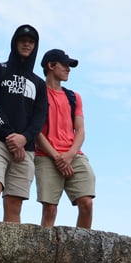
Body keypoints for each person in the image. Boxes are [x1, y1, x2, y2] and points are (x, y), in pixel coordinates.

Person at [0, 24, 48, 225]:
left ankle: (8, 255)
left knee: (14, 202)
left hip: (25, 146)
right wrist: (10, 137)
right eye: (22, 40)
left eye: (31, 41)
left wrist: (24, 138)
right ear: (14, 43)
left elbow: (40, 116)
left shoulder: (39, 83)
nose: (26, 44)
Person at [34, 49, 96, 229]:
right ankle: (43, 252)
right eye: (65, 65)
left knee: (87, 204)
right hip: (45, 155)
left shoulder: (74, 97)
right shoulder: (37, 94)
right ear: (51, 65)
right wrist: (57, 157)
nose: (68, 69)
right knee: (50, 209)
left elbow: (81, 130)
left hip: (73, 154)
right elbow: (35, 131)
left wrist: (68, 155)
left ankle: (82, 249)